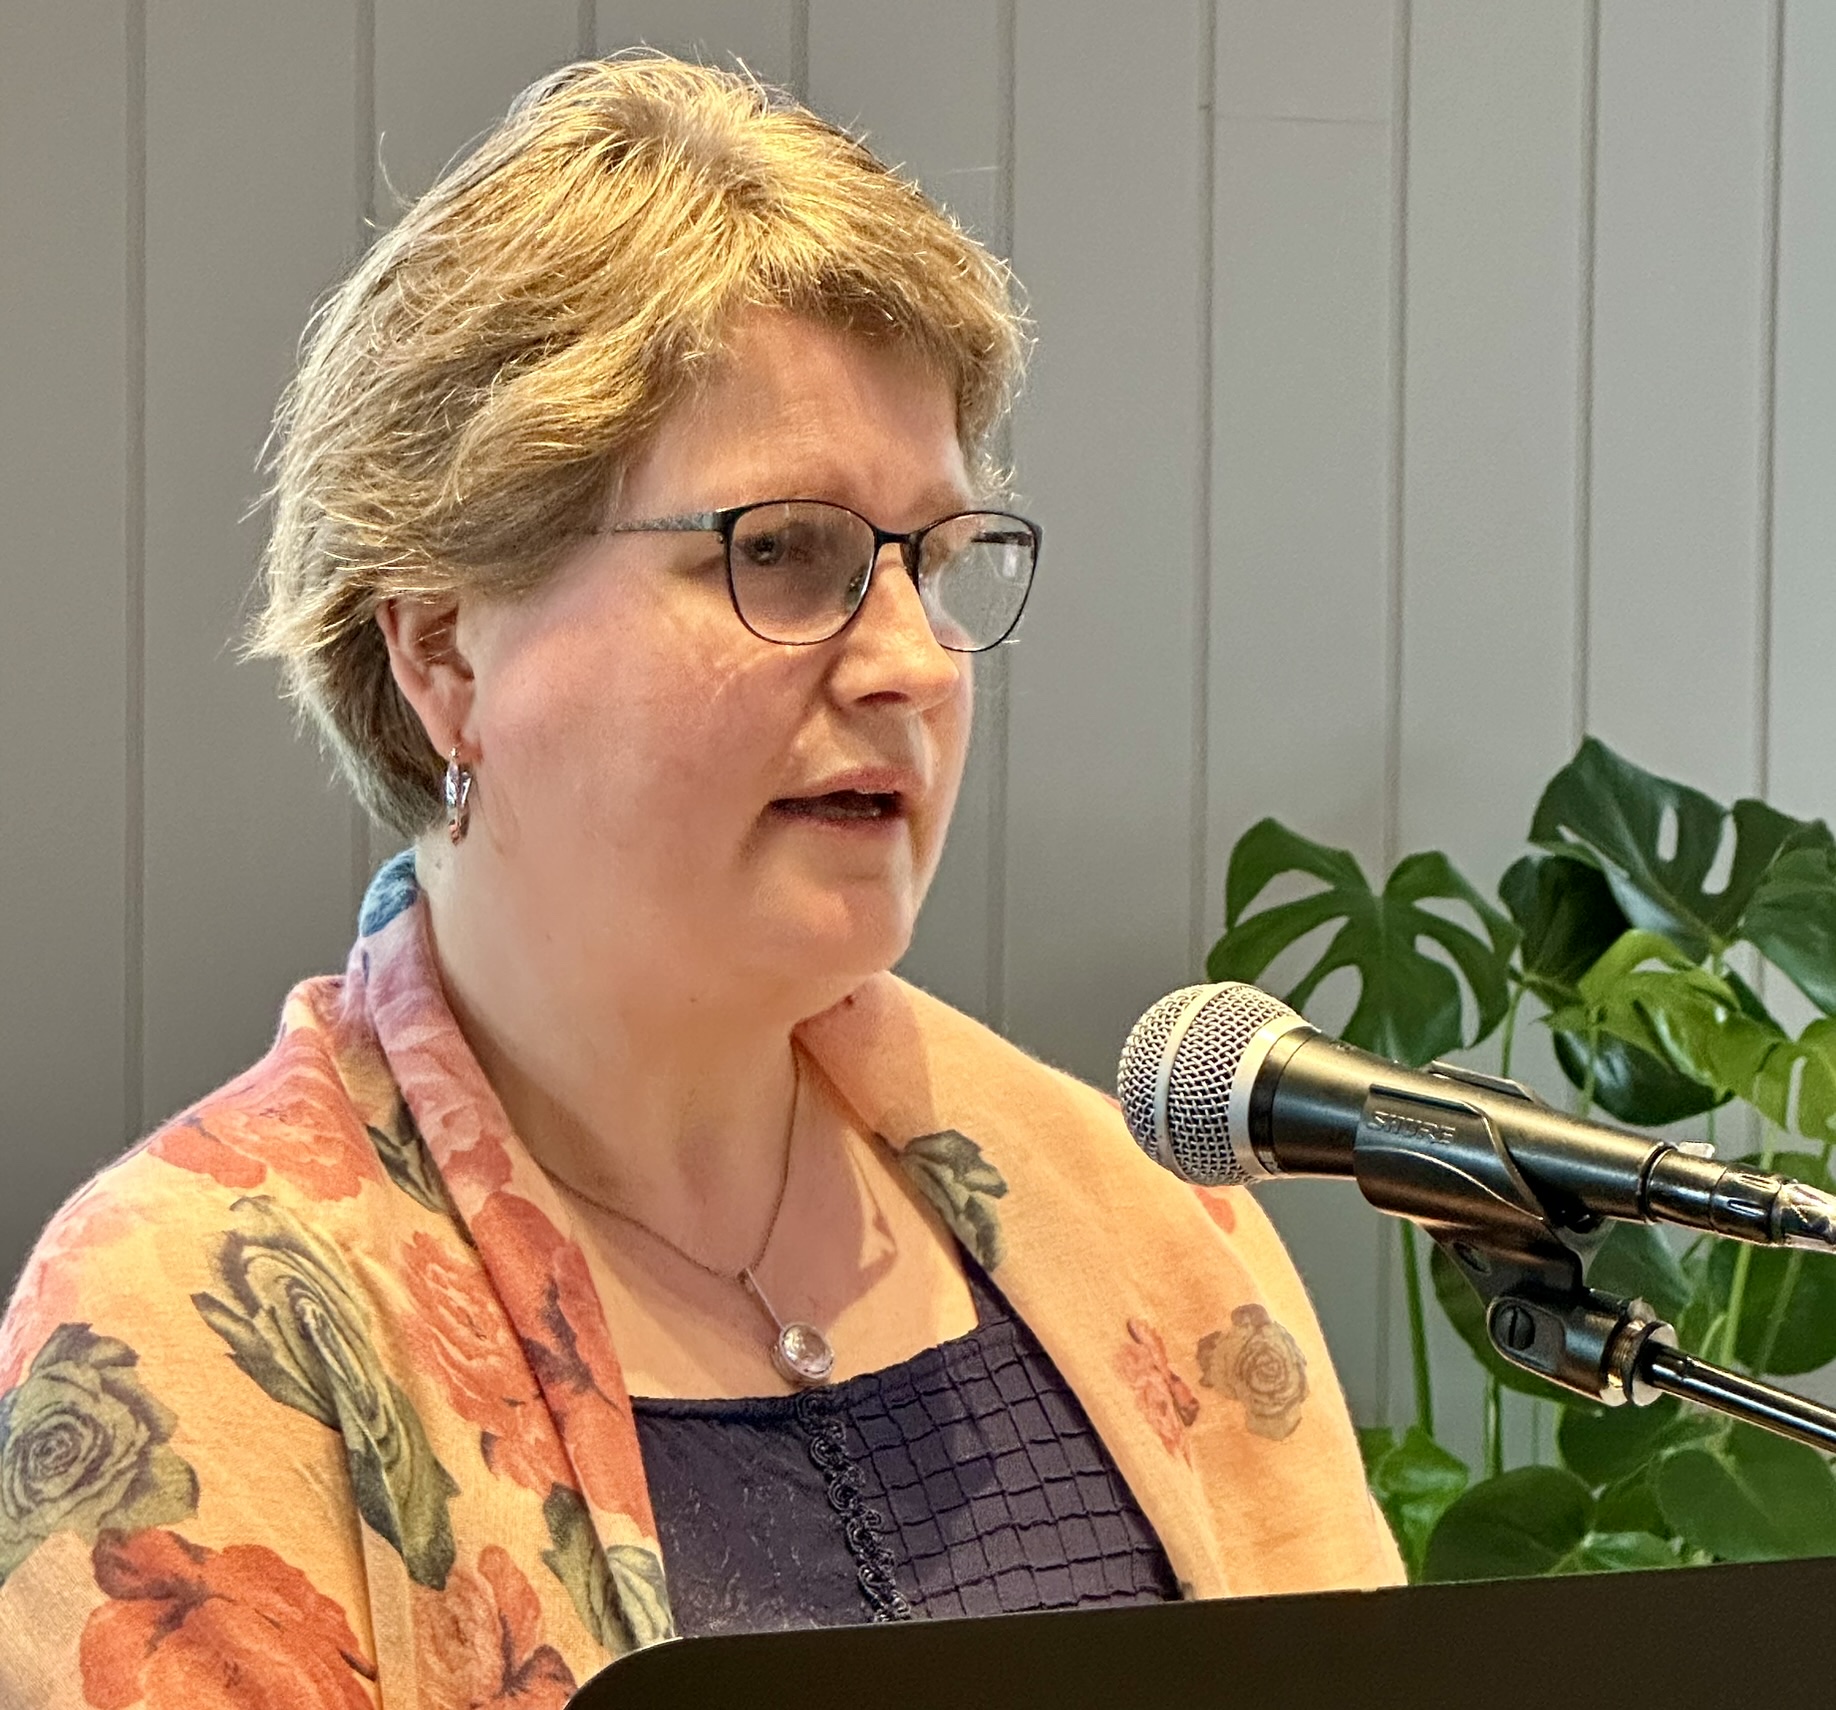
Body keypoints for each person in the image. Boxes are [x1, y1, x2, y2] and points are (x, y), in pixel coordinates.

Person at [0, 53, 1400, 1709]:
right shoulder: (193, 1325)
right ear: (444, 649)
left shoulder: (1149, 1221)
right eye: (783, 550)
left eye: (936, 561)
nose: (914, 662)